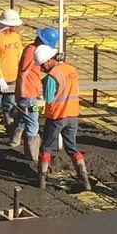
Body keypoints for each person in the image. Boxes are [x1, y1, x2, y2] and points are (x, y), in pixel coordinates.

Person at [34, 43, 90, 191]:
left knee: (46, 148)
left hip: (57, 116)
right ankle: (85, 180)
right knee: (72, 148)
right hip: (73, 115)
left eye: (41, 66)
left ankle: (41, 180)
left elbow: (48, 98)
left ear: (47, 61)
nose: (40, 69)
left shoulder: (52, 76)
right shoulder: (71, 69)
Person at [11, 27, 56, 169]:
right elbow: (24, 72)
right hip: (28, 95)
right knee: (32, 121)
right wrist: (23, 92)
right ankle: (32, 155)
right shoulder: (32, 52)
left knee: (22, 117)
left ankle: (14, 141)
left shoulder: (34, 51)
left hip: (30, 92)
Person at [0, 8, 24, 138]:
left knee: (10, 104)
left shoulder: (16, 38)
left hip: (13, 76)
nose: (17, 27)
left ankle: (9, 128)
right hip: (0, 78)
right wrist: (0, 77)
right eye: (14, 25)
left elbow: (19, 56)